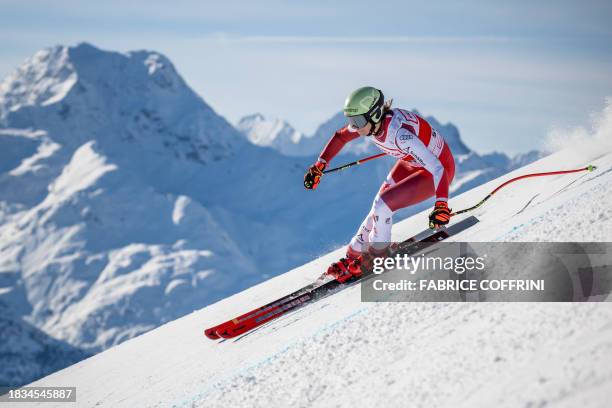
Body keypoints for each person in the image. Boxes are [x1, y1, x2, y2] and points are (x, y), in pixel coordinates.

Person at [304, 86, 456, 283]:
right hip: (412, 162)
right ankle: (352, 255)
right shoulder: (371, 123)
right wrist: (319, 166)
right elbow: (340, 136)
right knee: (378, 205)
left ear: (374, 114)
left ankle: (377, 256)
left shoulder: (401, 135)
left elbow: (437, 168)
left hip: (436, 171)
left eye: (357, 121)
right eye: (351, 120)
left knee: (383, 204)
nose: (354, 127)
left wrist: (441, 205)